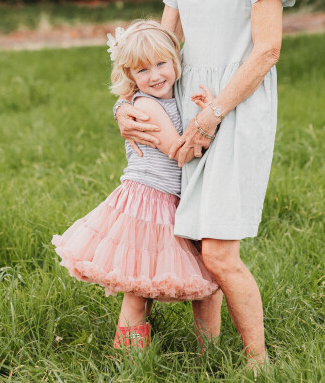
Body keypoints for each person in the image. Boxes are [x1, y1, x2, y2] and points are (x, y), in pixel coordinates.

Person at [115, 0, 295, 368]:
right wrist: (127, 106)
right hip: (186, 111)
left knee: (218, 251)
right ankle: (208, 357)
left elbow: (268, 50)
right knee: (194, 241)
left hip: (235, 108)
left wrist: (214, 114)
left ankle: (258, 363)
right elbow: (159, 47)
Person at [52, 20, 219, 352]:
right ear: (130, 75)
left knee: (151, 285)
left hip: (164, 200)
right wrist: (210, 121)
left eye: (161, 64)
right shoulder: (145, 105)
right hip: (148, 202)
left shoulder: (172, 97)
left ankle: (206, 355)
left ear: (176, 60)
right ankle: (130, 361)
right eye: (143, 70)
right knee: (137, 291)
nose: (155, 75)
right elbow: (180, 152)